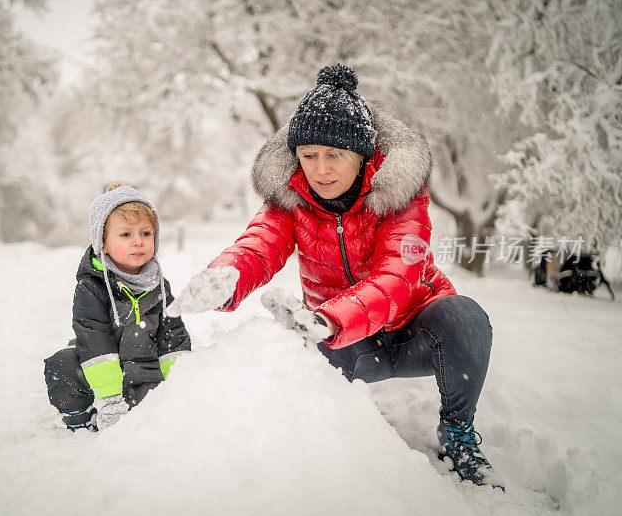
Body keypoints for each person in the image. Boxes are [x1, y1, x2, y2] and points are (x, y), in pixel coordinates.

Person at [169, 64, 501, 488]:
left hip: (416, 329)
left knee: (465, 319)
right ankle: (335, 435)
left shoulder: (399, 193)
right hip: (348, 343)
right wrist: (226, 276)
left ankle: (457, 430)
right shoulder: (291, 197)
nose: (321, 170)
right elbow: (259, 243)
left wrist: (331, 318)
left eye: (335, 155)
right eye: (309, 156)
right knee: (299, 355)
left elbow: (398, 275)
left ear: (362, 155)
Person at [44, 183, 190, 431]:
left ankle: (146, 415)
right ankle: (81, 419)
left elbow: (172, 338)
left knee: (157, 409)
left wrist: (179, 390)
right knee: (63, 365)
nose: (138, 242)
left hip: (143, 372)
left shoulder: (158, 285)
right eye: (126, 235)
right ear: (102, 243)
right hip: (100, 374)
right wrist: (110, 400)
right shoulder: (92, 288)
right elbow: (95, 342)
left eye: (146, 233)